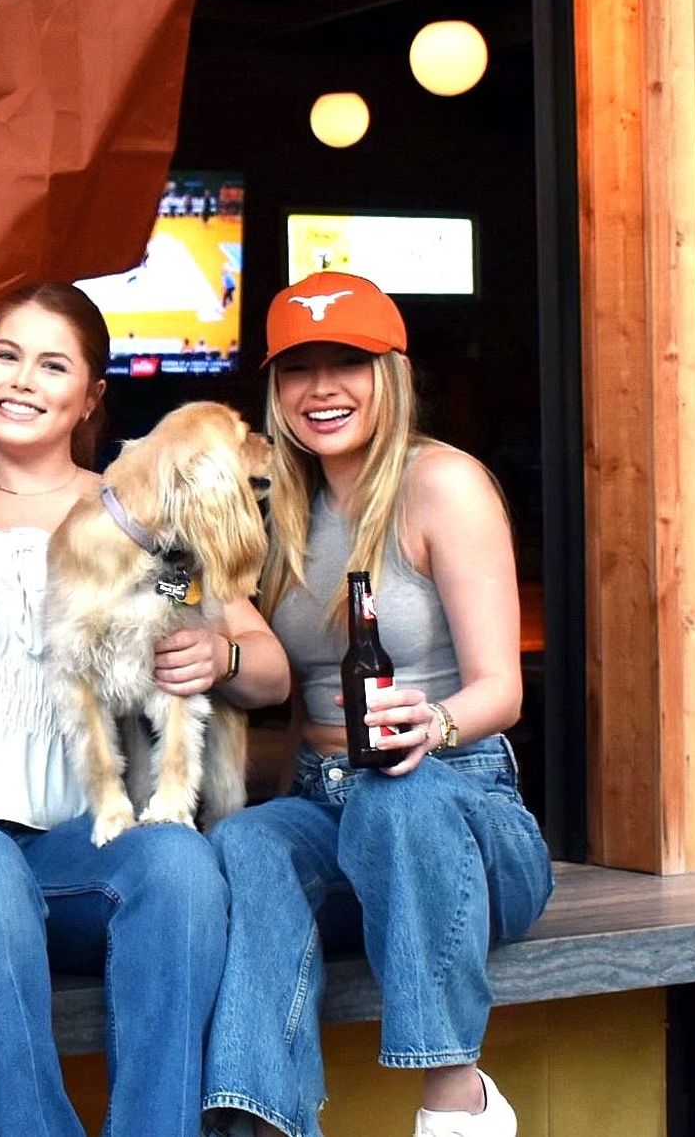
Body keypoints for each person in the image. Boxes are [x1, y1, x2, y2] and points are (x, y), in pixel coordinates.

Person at [0, 282, 291, 1137]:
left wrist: (218, 654)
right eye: (5, 355)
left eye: (53, 365)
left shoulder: (135, 517)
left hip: (65, 841)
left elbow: (265, 670)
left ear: (90, 396)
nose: (21, 380)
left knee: (179, 865)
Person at [202, 273, 554, 1137]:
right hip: (326, 800)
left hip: (463, 803)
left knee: (402, 798)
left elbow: (501, 693)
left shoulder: (444, 484)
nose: (322, 390)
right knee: (247, 836)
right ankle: (262, 1119)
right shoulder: (276, 507)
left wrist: (430, 725)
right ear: (276, 389)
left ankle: (455, 1099)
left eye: (347, 363)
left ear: (390, 373)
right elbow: (191, 587)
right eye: (298, 369)